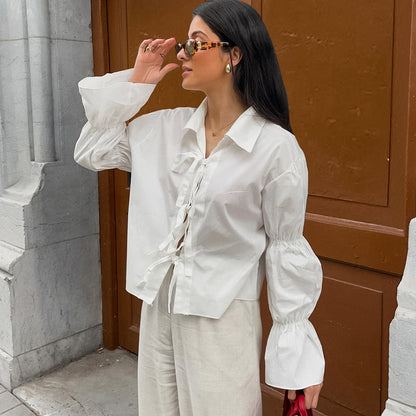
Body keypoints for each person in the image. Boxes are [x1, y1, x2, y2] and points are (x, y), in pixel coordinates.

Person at [75, 0, 325, 414]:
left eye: (196, 44)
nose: (182, 54)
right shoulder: (166, 129)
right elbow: (92, 149)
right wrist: (137, 81)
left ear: (235, 54)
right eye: (184, 45)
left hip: (222, 319)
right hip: (160, 307)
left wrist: (296, 362)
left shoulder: (275, 149)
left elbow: (285, 252)